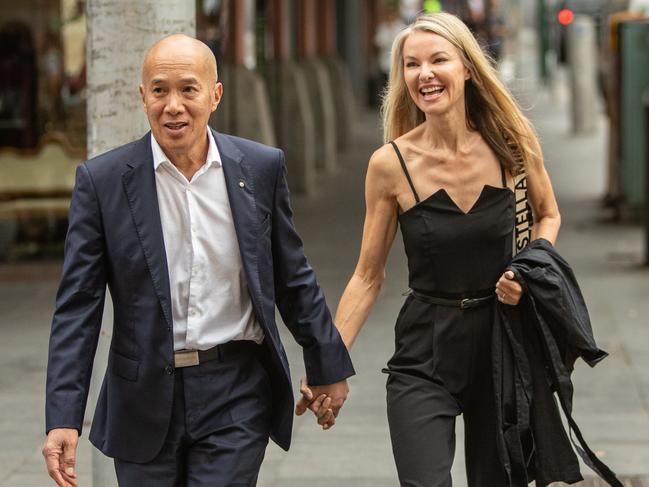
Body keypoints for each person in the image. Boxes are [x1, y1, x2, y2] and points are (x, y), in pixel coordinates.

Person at [42, 34, 353, 487]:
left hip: (235, 389)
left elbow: (292, 277)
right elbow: (77, 309)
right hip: (142, 392)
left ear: (215, 94)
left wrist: (329, 366)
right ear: (142, 95)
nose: (173, 106)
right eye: (160, 90)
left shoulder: (259, 168)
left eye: (188, 89)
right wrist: (62, 418)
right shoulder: (103, 182)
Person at [309, 12, 561, 486]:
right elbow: (367, 276)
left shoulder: (513, 146)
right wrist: (329, 362)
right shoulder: (390, 165)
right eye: (411, 64)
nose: (424, 73)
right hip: (424, 350)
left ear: (467, 67)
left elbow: (548, 214)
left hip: (500, 345)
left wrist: (530, 267)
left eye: (438, 60)